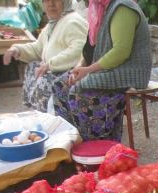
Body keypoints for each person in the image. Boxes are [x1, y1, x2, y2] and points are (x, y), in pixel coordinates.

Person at [51, 0, 151, 141]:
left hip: (128, 72)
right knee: (60, 84)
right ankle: (72, 141)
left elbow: (121, 51)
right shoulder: (100, 8)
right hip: (109, 69)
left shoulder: (123, 7)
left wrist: (89, 70)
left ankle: (95, 145)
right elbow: (89, 49)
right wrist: (79, 68)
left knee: (79, 91)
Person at [2, 0, 88, 113]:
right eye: (47, 1)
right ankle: (36, 113)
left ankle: (49, 118)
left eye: (56, 1)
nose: (51, 4)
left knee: (44, 79)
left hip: (71, 74)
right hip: (55, 69)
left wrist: (50, 64)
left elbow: (78, 51)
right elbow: (38, 48)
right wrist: (17, 49)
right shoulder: (53, 24)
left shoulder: (73, 21)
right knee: (32, 67)